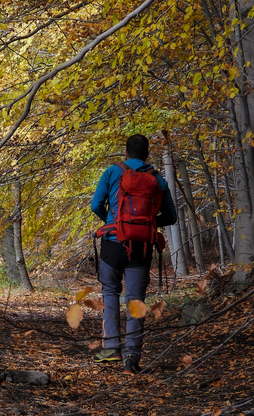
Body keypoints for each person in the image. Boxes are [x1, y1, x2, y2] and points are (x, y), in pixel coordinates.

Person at [90, 134, 177, 374]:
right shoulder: (156, 178)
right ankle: (131, 359)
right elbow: (171, 217)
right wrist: (146, 224)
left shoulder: (112, 172)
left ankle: (110, 351)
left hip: (112, 244)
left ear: (126, 153)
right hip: (142, 247)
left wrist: (113, 222)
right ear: (147, 154)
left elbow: (96, 205)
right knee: (135, 300)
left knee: (110, 293)